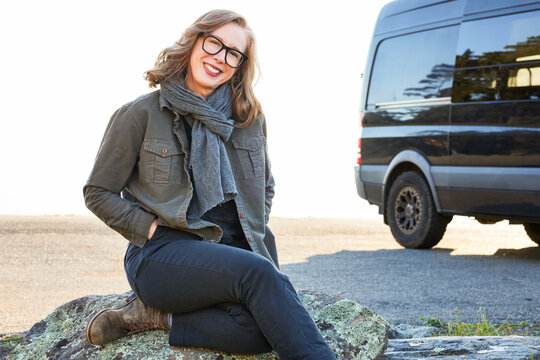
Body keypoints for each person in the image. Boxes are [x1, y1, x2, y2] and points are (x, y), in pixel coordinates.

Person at [83, 9, 336, 359]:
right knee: (261, 277)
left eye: (234, 53)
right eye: (214, 43)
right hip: (162, 254)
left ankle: (154, 316)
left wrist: (252, 229)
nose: (221, 58)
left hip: (233, 255)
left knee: (261, 331)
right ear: (194, 41)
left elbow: (265, 186)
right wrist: (149, 227)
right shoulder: (140, 114)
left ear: (240, 65)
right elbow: (97, 191)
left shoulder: (248, 119)